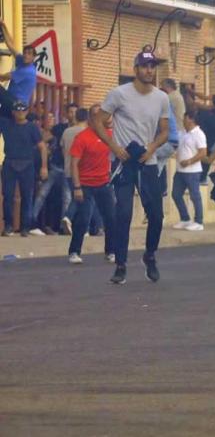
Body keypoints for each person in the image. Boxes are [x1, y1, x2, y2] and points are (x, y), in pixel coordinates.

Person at [95, 51, 170, 284]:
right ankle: (120, 264)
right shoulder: (119, 94)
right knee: (123, 214)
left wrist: (153, 147)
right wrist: (114, 147)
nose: (149, 70)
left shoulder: (161, 98)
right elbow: (98, 120)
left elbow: (165, 131)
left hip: (147, 161)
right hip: (124, 161)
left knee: (156, 215)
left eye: (152, 66)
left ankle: (150, 255)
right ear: (136, 68)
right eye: (145, 66)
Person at [67, 105, 116, 264]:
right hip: (85, 185)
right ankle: (74, 251)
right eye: (96, 115)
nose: (101, 118)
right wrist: (77, 187)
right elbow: (74, 164)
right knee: (83, 218)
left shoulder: (110, 135)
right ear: (90, 119)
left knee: (110, 218)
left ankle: (110, 251)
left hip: (104, 184)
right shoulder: (82, 138)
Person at [0, 102, 47, 236]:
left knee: (27, 197)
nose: (20, 113)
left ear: (26, 112)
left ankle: (25, 227)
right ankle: (8, 225)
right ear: (13, 112)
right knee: (7, 196)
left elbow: (42, 147)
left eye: (22, 111)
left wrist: (44, 167)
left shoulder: (32, 128)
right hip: (9, 162)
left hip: (27, 164)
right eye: (17, 111)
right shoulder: (6, 124)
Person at [171, 110, 207, 232]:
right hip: (180, 171)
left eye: (185, 118)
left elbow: (203, 152)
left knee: (195, 196)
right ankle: (185, 218)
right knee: (176, 194)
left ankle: (199, 221)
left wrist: (189, 161)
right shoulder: (182, 133)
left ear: (191, 119)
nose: (183, 120)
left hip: (193, 171)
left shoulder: (199, 134)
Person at [0, 21, 37, 111]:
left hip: (17, 103)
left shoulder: (27, 71)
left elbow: (3, 78)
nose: (26, 55)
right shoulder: (22, 60)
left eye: (29, 54)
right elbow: (10, 46)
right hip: (11, 98)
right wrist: (3, 26)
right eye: (25, 53)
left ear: (33, 57)